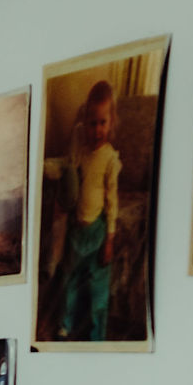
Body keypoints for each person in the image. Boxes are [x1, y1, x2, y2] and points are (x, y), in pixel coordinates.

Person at [55, 81, 122, 342]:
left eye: (103, 123)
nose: (97, 130)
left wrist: (110, 240)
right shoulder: (81, 151)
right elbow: (71, 180)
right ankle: (65, 325)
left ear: (111, 122)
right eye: (92, 123)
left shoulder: (110, 158)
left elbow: (112, 202)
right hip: (77, 230)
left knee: (97, 290)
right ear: (85, 124)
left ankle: (97, 336)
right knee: (69, 281)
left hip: (97, 231)